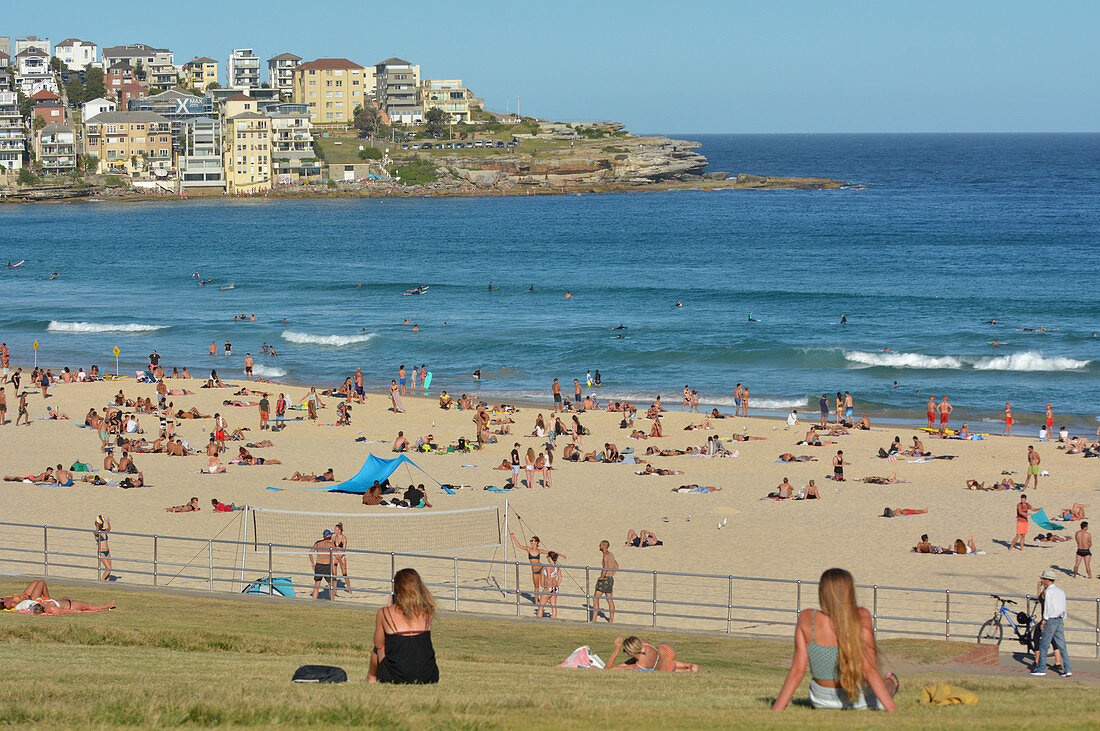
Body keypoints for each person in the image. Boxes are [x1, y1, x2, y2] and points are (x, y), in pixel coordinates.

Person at [772, 568, 898, 711]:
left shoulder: (808, 618)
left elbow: (797, 671)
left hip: (821, 699)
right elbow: (869, 670)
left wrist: (776, 710)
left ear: (822, 593)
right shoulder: (861, 616)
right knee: (891, 681)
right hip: (857, 699)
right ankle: (890, 682)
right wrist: (893, 710)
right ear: (849, 592)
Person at [367, 568, 439, 684]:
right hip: (428, 675)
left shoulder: (385, 613)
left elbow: (379, 644)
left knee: (379, 647)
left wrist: (388, 608)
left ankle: (371, 677)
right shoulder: (427, 611)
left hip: (395, 676)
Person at [1031, 569, 1071, 677]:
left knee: (1044, 645)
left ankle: (1041, 669)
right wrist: (1063, 617)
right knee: (1062, 645)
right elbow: (1063, 607)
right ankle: (1068, 669)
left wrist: (1044, 620)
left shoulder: (1049, 591)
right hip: (1059, 619)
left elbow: (1047, 607)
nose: (1042, 580)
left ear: (1047, 580)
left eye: (1043, 578)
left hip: (1051, 620)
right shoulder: (1061, 591)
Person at [605, 636, 699, 672]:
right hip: (668, 650)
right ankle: (686, 665)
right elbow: (637, 656)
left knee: (665, 668)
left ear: (630, 653)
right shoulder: (644, 643)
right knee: (664, 657)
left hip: (665, 668)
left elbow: (608, 670)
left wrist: (616, 651)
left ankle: (686, 671)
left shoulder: (639, 666)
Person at [591, 540, 618, 623]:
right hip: (610, 579)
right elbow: (616, 566)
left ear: (604, 546)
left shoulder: (606, 555)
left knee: (595, 598)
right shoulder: (611, 555)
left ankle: (594, 619)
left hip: (605, 579)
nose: (599, 546)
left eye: (601, 545)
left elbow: (605, 566)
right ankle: (611, 620)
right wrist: (611, 574)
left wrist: (602, 576)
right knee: (609, 599)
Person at [309, 530, 336, 599]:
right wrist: (340, 562)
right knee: (331, 585)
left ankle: (314, 600)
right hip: (327, 566)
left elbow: (310, 553)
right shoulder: (330, 544)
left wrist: (313, 564)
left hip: (319, 565)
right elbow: (336, 554)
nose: (332, 536)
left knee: (317, 585)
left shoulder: (318, 543)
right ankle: (332, 600)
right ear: (329, 535)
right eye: (331, 535)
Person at [537, 551, 563, 619]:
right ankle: (553, 619)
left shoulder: (548, 567)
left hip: (549, 587)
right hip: (555, 588)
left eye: (547, 557)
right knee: (553, 606)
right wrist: (557, 585)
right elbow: (560, 577)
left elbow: (548, 578)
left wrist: (547, 587)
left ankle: (538, 619)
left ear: (549, 558)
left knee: (541, 606)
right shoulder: (557, 566)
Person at [332, 523, 351, 592]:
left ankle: (349, 588)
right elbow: (332, 547)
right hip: (334, 556)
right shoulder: (333, 537)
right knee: (334, 574)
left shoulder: (344, 538)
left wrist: (339, 558)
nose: (334, 530)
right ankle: (334, 589)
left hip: (341, 556)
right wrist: (335, 556)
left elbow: (343, 549)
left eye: (336, 529)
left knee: (344, 573)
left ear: (339, 530)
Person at [95, 516, 112, 581]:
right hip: (101, 552)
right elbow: (96, 532)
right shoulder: (96, 532)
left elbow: (109, 529)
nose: (102, 525)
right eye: (101, 524)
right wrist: (97, 525)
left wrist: (108, 523)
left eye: (102, 524)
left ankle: (107, 582)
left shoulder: (104, 531)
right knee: (108, 568)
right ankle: (102, 580)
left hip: (107, 552)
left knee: (109, 569)